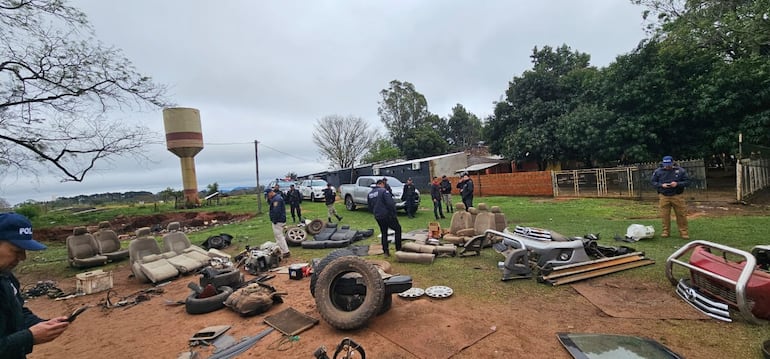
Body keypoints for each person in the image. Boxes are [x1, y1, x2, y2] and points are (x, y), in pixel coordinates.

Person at [1, 212, 69, 358]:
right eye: (17, 251)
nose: (23, 257)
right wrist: (30, 337)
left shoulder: (6, 277)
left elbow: (17, 312)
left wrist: (45, 325)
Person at [650, 155, 690, 239]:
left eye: (669, 164)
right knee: (664, 215)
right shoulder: (658, 171)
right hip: (664, 196)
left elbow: (687, 181)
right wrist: (661, 185)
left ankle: (683, 232)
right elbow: (653, 182)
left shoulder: (680, 171)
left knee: (681, 214)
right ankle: (666, 231)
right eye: (665, 164)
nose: (667, 166)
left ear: (672, 162)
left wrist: (677, 184)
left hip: (677, 195)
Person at [367, 179, 402, 257]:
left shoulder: (370, 194)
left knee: (384, 233)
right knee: (398, 229)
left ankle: (386, 251)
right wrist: (393, 213)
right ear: (382, 184)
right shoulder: (383, 191)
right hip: (387, 215)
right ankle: (398, 249)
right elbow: (390, 203)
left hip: (378, 216)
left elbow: (369, 206)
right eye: (384, 184)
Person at [266, 189, 290, 258]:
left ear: (271, 193)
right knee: (278, 237)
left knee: (279, 236)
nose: (267, 196)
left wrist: (274, 220)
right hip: (279, 220)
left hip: (278, 220)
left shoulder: (277, 199)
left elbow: (277, 211)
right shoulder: (276, 198)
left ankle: (285, 251)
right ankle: (282, 250)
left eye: (268, 194)